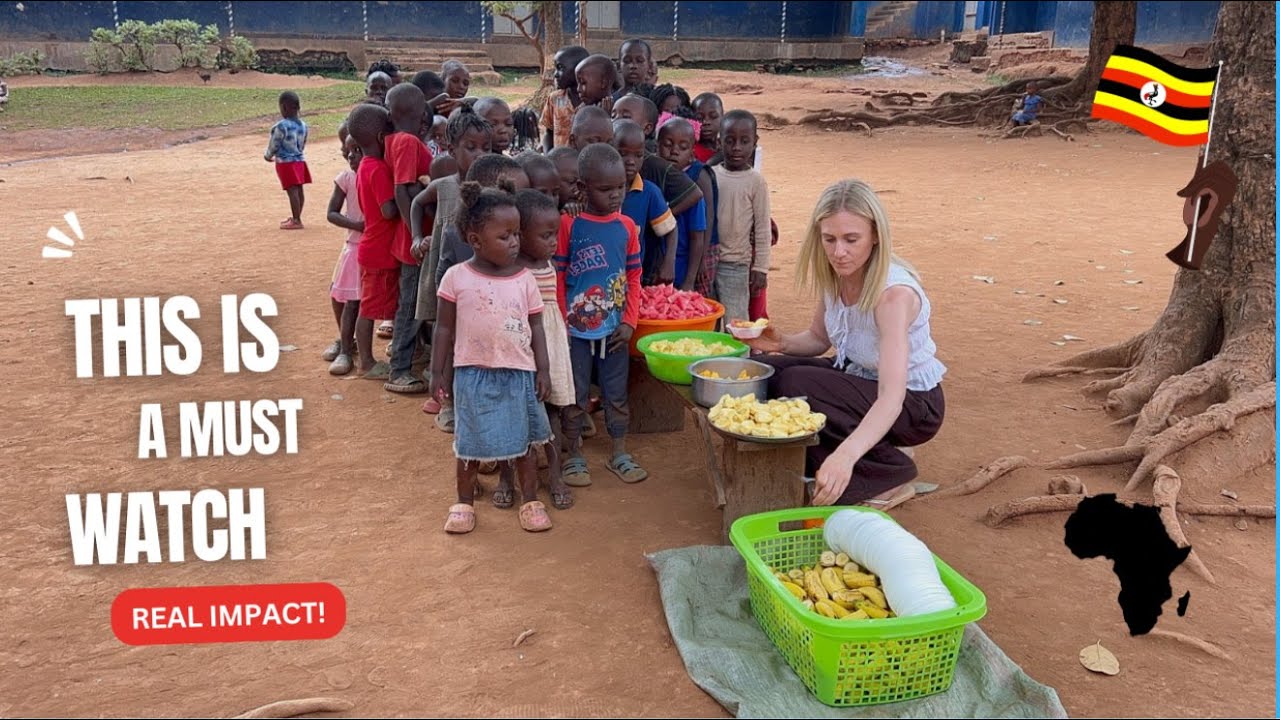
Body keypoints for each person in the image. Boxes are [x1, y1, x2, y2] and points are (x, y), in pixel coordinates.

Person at [744, 179, 946, 507]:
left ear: (876, 235)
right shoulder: (837, 275)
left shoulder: (893, 297)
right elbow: (819, 339)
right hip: (860, 378)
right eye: (830, 239)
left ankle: (887, 473)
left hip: (913, 404)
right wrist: (778, 343)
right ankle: (860, 453)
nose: (839, 252)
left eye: (852, 239)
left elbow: (892, 397)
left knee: (798, 382)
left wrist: (845, 456)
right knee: (767, 370)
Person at [433, 181, 555, 534]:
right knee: (469, 445)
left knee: (524, 444)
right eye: (504, 236)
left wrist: (543, 369)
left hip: (518, 373)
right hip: (472, 374)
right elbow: (443, 330)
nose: (515, 242)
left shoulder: (525, 280)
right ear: (475, 240)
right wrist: (438, 373)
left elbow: (537, 327)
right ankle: (464, 503)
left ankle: (530, 500)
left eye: (516, 234)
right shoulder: (456, 278)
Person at [555, 143, 647, 486]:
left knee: (615, 391)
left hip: (614, 329)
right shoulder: (569, 224)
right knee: (575, 392)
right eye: (605, 189)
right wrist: (563, 322)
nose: (614, 195)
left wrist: (629, 321)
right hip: (575, 330)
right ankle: (574, 452)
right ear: (582, 187)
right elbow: (560, 277)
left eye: (620, 187)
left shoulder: (627, 227)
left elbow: (635, 277)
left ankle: (619, 450)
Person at [431, 154, 531, 433]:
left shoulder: (516, 234)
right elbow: (443, 312)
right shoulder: (455, 238)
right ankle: (451, 406)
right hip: (467, 337)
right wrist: (437, 371)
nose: (519, 203)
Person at [412, 106, 494, 419]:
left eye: (485, 148)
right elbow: (418, 204)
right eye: (470, 147)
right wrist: (417, 237)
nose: (479, 154)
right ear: (450, 148)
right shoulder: (444, 185)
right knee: (443, 335)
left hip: (478, 282)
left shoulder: (491, 192)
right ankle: (446, 400)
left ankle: (466, 399)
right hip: (444, 276)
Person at [515, 188, 576, 511]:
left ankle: (554, 475)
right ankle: (507, 479)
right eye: (546, 235)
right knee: (515, 417)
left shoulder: (548, 264)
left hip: (549, 346)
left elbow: (552, 310)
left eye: (555, 234)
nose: (554, 241)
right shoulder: (512, 269)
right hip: (520, 349)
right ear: (520, 236)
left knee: (552, 412)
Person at [383, 84, 434, 394]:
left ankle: (410, 356)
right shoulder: (406, 142)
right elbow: (403, 188)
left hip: (416, 237)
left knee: (415, 302)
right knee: (411, 304)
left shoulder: (400, 140)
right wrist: (414, 233)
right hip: (415, 241)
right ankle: (399, 369)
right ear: (421, 114)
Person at [348, 103, 400, 379]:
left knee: (370, 306)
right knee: (368, 309)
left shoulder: (365, 167)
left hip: (374, 246)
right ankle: (366, 362)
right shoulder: (378, 169)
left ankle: (368, 359)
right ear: (382, 138)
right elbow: (387, 210)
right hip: (379, 251)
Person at [712, 110, 770, 324]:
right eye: (730, 141)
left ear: (754, 142)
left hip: (737, 264)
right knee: (710, 321)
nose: (736, 147)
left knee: (736, 324)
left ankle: (739, 358)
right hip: (709, 263)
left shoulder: (756, 182)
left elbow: (763, 227)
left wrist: (761, 268)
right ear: (719, 142)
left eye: (744, 141)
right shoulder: (711, 175)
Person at [613, 119, 678, 285]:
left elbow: (670, 229)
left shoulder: (648, 192)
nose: (630, 161)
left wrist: (668, 263)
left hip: (632, 283)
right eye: (623, 153)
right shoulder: (598, 190)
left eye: (638, 155)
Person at [323, 129, 365, 376]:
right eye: (348, 152)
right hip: (353, 245)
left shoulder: (377, 175)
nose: (352, 157)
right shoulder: (347, 179)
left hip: (371, 245)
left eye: (357, 151)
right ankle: (345, 343)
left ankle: (347, 348)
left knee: (354, 301)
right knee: (340, 295)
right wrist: (356, 225)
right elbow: (332, 213)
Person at [656, 116, 711, 291]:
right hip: (651, 269)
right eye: (668, 144)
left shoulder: (692, 193)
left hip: (681, 269)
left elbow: (697, 239)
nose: (674, 151)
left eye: (683, 147)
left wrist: (689, 281)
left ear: (691, 156)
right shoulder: (650, 185)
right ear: (657, 148)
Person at [264, 90, 310, 230]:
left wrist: (268, 155)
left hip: (286, 163)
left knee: (291, 190)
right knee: (299, 189)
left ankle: (296, 220)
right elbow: (303, 144)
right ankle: (297, 216)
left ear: (283, 107)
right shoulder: (303, 125)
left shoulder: (281, 126)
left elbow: (275, 143)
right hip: (300, 161)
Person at [541, 45, 590, 150]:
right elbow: (549, 132)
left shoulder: (593, 101)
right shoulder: (555, 99)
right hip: (558, 162)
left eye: (560, 68)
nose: (555, 74)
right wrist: (548, 155)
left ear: (579, 70)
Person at [692, 92, 723, 163]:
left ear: (722, 117)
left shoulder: (729, 146)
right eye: (699, 118)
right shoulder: (691, 152)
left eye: (713, 116)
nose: (706, 122)